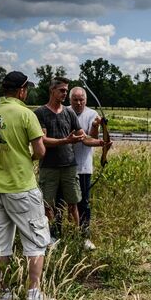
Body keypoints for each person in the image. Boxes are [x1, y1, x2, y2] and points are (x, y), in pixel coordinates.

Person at [0, 70, 56, 300]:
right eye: (26, 89)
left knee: (0, 242)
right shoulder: (26, 114)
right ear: (21, 90)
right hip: (21, 187)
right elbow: (40, 152)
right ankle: (33, 295)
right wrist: (32, 147)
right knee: (35, 240)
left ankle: (4, 292)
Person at [34, 77, 85, 243]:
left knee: (73, 203)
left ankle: (75, 238)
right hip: (48, 166)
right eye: (62, 90)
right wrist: (66, 140)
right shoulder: (40, 113)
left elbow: (80, 134)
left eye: (66, 90)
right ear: (52, 91)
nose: (65, 93)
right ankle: (50, 237)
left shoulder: (69, 112)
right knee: (48, 204)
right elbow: (42, 140)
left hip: (69, 165)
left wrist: (100, 141)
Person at [68, 86, 112, 249]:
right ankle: (65, 234)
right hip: (65, 166)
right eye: (75, 99)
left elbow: (92, 137)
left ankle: (84, 236)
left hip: (84, 167)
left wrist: (95, 126)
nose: (79, 103)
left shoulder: (92, 114)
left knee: (83, 203)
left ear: (86, 100)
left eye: (82, 100)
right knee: (65, 202)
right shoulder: (65, 111)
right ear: (70, 100)